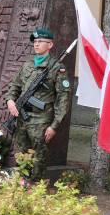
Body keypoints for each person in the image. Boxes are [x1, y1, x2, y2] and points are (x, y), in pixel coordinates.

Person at [5, 28, 71, 181]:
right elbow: (14, 86)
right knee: (20, 153)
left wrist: (54, 125)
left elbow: (63, 99)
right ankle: (21, 184)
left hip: (41, 120)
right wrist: (10, 101)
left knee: (39, 156)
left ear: (50, 45)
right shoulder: (27, 64)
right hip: (22, 118)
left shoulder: (57, 68)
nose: (36, 45)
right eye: (35, 42)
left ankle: (36, 187)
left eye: (41, 42)